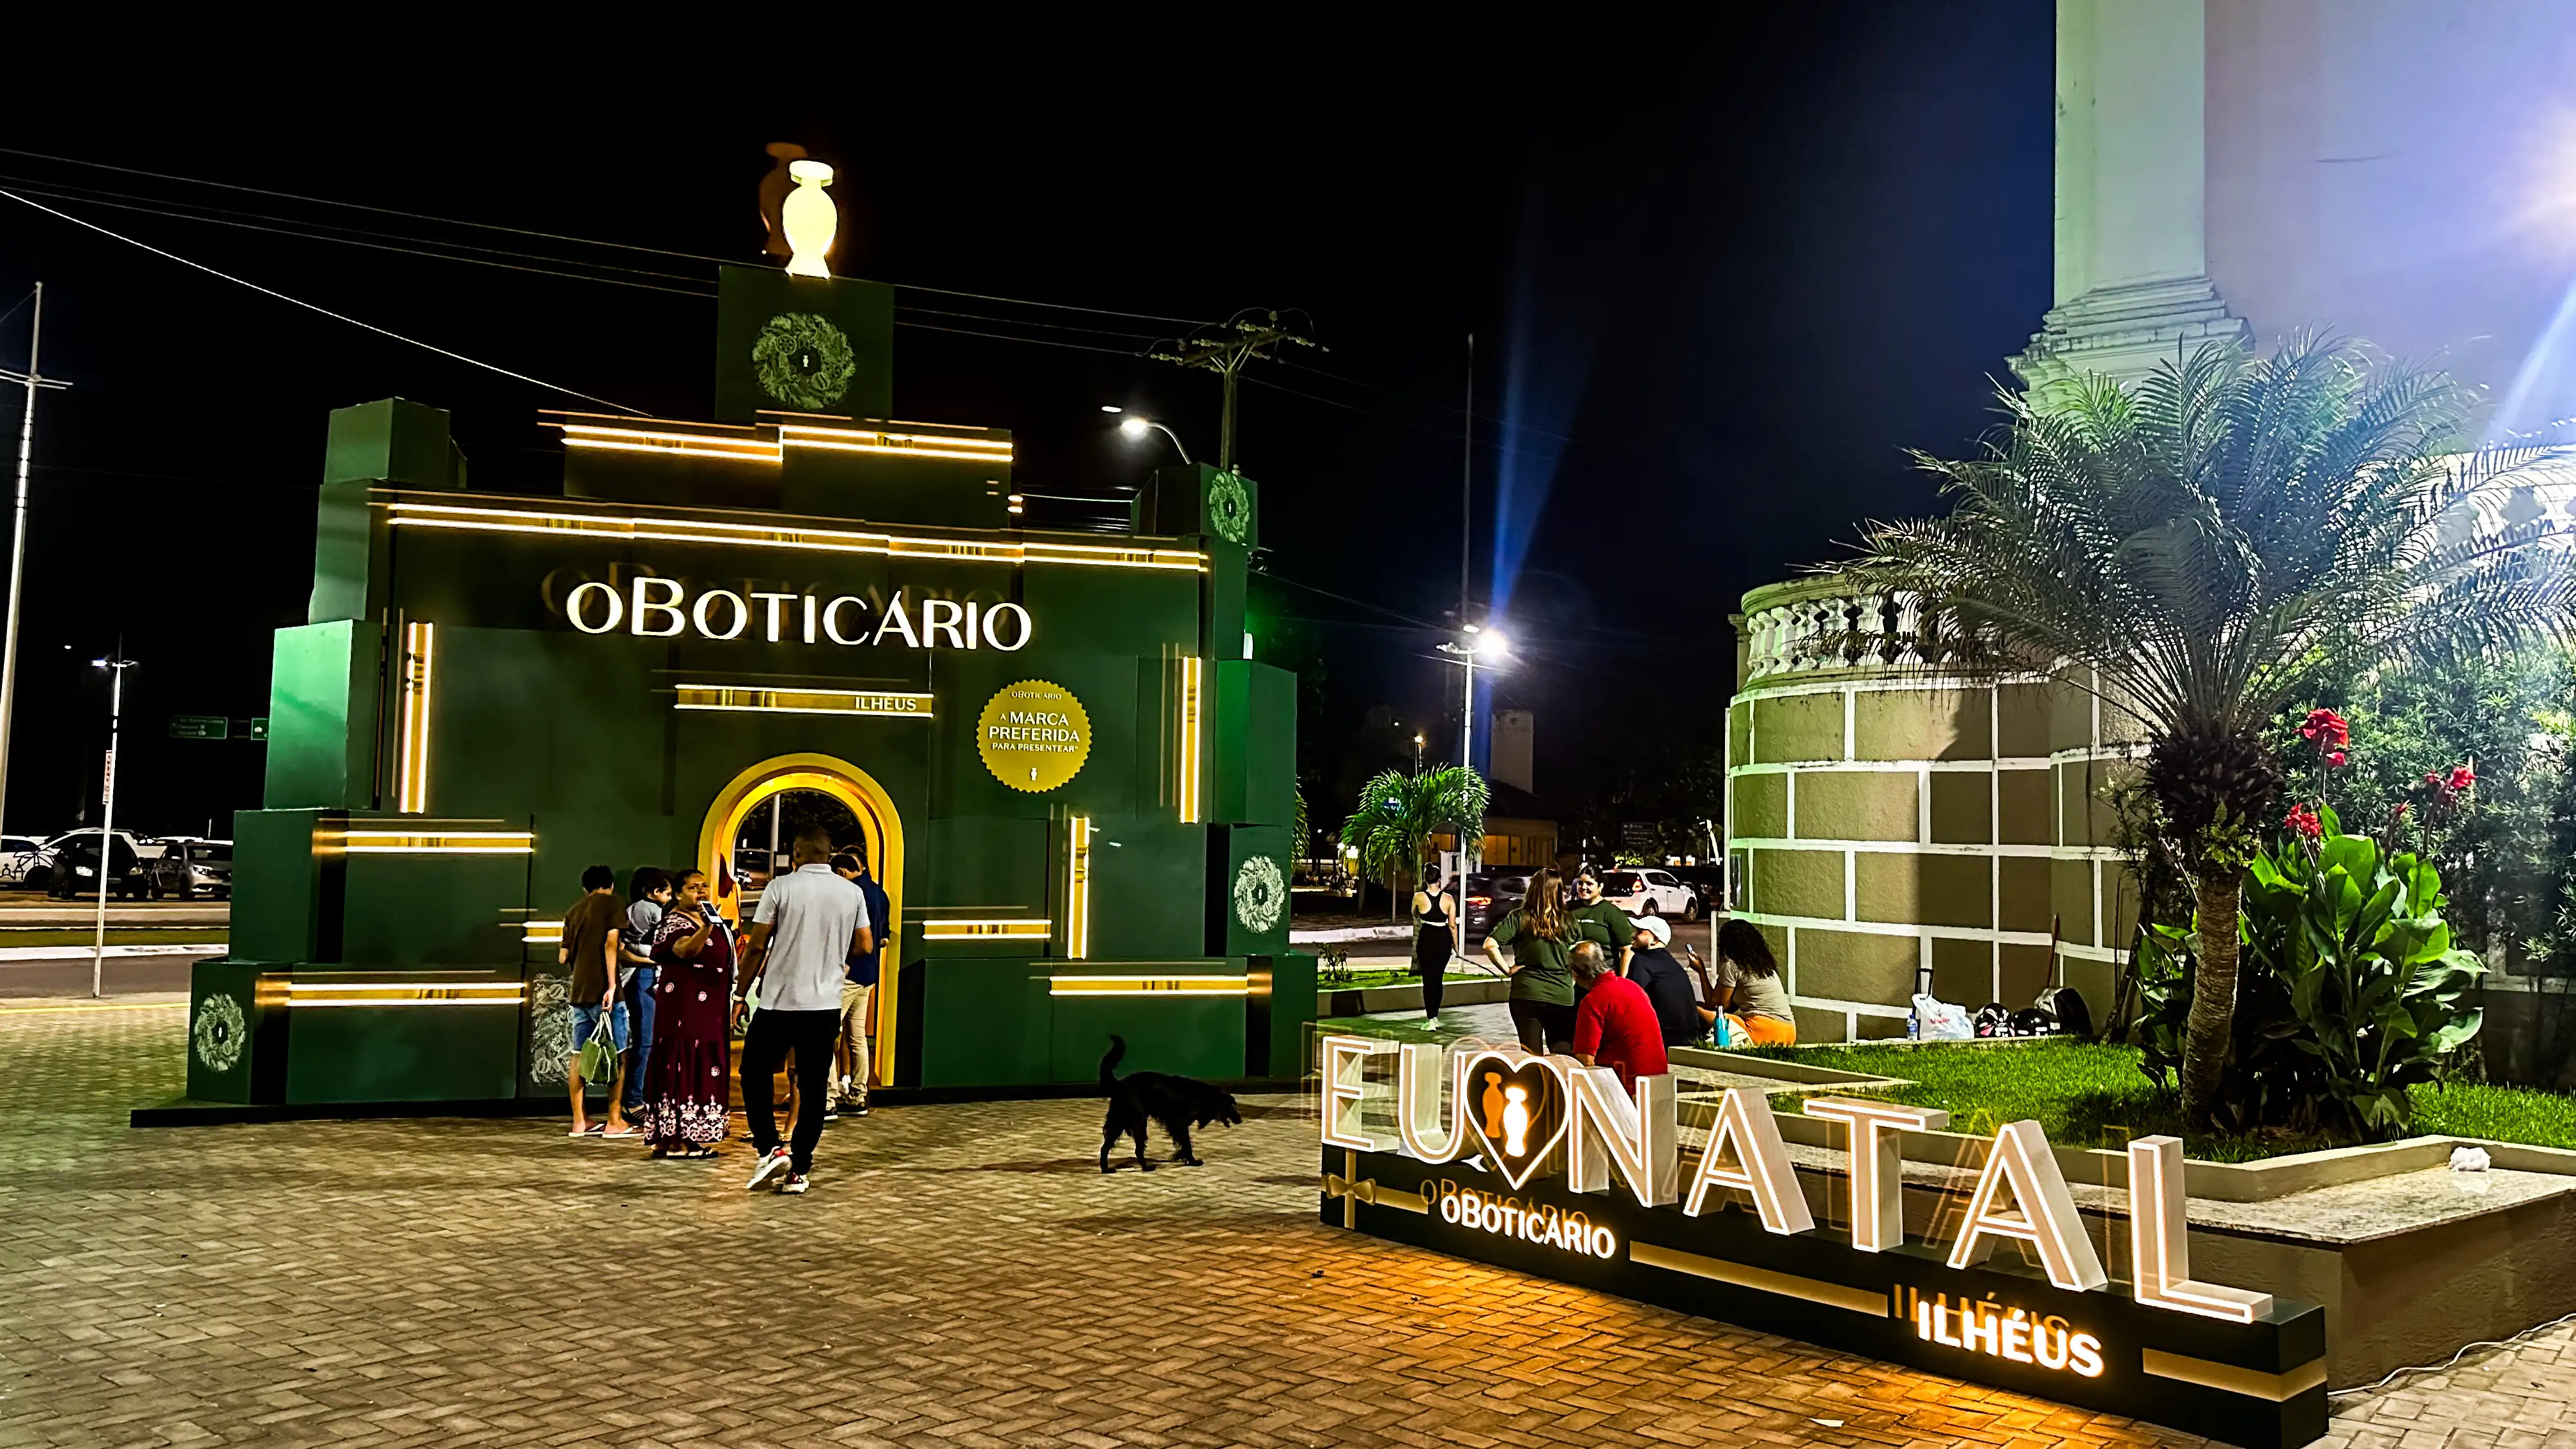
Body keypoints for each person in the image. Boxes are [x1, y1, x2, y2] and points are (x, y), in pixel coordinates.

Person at [734, 825, 873, 1195]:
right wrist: (836, 963)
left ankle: (769, 1148)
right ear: (829, 855)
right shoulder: (852, 892)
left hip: (780, 1000)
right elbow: (865, 944)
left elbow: (756, 945)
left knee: (754, 1072)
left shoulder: (781, 888)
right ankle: (800, 1168)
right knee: (813, 1086)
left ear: (795, 853)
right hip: (825, 1004)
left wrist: (740, 993)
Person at [641, 868, 732, 1158]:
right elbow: (685, 951)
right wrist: (706, 928)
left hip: (711, 1002)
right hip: (684, 1004)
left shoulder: (712, 920)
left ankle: (679, 1138)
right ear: (678, 894)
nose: (701, 892)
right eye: (694, 888)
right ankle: (681, 1138)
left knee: (703, 1059)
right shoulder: (675, 922)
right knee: (682, 1060)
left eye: (704, 886)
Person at [560, 864, 634, 1138]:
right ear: (611, 885)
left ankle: (580, 1121)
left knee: (579, 1055)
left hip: (578, 993)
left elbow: (563, 956)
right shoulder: (613, 904)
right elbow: (611, 943)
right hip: (606, 993)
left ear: (585, 888)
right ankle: (614, 1121)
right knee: (617, 1054)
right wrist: (612, 985)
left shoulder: (574, 911)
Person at [1481, 867, 1577, 1053]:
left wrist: (1507, 970)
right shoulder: (1569, 920)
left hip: (1526, 993)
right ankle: (1558, 1082)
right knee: (1562, 1050)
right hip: (1561, 994)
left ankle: (1536, 1082)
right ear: (1558, 892)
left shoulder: (1519, 917)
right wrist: (1570, 980)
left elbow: (1490, 945)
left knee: (1531, 1054)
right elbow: (1577, 954)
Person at [828, 848, 892, 1117]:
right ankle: (858, 1095)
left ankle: (827, 1099)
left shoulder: (851, 894)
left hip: (847, 974)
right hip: (868, 976)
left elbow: (849, 936)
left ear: (842, 873)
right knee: (858, 1038)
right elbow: (883, 936)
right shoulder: (880, 892)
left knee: (825, 1036)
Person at [1569, 940, 1667, 1091]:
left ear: (1576, 974)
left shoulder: (1593, 1001)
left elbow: (1586, 1059)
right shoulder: (1632, 986)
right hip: (1658, 1078)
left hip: (1627, 1084)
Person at [618, 868, 673, 1126]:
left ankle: (637, 1097)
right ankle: (634, 1100)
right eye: (667, 893)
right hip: (643, 975)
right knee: (646, 1039)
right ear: (652, 892)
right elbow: (660, 940)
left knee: (646, 1039)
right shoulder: (650, 911)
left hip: (642, 975)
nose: (669, 898)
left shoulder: (634, 909)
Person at [1624, 915, 1714, 1047]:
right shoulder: (1670, 962)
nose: (1634, 935)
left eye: (1640, 932)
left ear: (1655, 940)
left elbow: (1628, 998)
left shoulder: (1642, 960)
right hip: (1690, 1036)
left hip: (1665, 1039)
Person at [1711, 917, 1797, 1046]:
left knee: (1700, 1011)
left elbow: (1717, 1006)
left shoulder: (1732, 966)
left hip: (1765, 1030)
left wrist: (1701, 970)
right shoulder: (1764, 967)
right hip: (1789, 1031)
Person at [1410, 870, 1461, 1023]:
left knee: (1428, 980)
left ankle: (1430, 1018)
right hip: (1443, 940)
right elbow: (1452, 925)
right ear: (1439, 879)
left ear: (1425, 880)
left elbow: (1415, 913)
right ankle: (1435, 1017)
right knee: (1438, 979)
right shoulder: (1449, 899)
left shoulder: (1418, 897)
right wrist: (1456, 946)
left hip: (1426, 939)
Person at [1568, 867, 1638, 976]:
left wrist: (1621, 980)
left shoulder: (1612, 912)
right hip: (1574, 975)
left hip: (1601, 975)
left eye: (1589, 884)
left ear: (1600, 886)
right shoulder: (1569, 908)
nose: (1584, 887)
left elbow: (1626, 950)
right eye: (1580, 883)